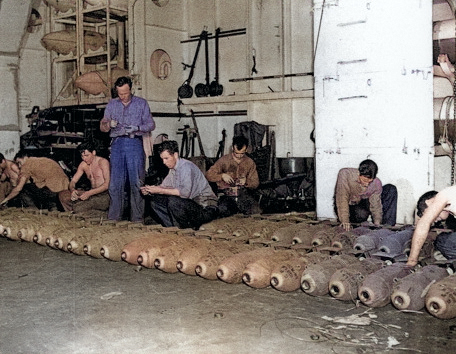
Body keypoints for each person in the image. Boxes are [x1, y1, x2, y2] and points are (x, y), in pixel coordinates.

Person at [100, 76, 155, 222]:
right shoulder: (112, 104)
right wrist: (108, 124)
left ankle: (137, 219)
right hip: (117, 144)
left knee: (136, 182)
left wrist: (137, 128)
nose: (123, 97)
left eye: (125, 93)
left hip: (134, 144)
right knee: (115, 184)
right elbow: (102, 126)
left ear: (131, 89)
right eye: (120, 94)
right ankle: (114, 218)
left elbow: (151, 125)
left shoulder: (141, 103)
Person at [140, 140, 218, 230]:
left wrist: (159, 190)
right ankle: (174, 228)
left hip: (205, 207)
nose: (164, 162)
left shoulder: (186, 167)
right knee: (155, 201)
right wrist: (149, 189)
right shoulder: (173, 169)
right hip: (191, 205)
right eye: (162, 159)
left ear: (175, 155)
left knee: (173, 201)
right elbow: (164, 186)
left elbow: (185, 193)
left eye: (166, 158)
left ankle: (186, 228)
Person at [334, 159, 397, 231]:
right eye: (364, 181)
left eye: (370, 182)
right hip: (350, 204)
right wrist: (344, 221)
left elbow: (376, 204)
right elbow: (342, 198)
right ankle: (353, 225)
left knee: (391, 189)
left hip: (363, 201)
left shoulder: (376, 183)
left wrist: (377, 224)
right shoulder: (345, 174)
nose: (366, 184)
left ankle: (387, 229)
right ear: (359, 173)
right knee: (361, 214)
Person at [206, 135, 261, 216]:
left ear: (246, 149)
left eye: (242, 153)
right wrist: (222, 176)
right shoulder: (224, 160)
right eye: (236, 153)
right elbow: (208, 175)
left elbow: (255, 183)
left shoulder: (250, 162)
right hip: (226, 195)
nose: (239, 156)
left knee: (256, 212)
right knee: (223, 211)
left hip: (243, 195)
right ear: (232, 148)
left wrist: (246, 182)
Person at [0, 150, 69, 210]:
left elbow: (19, 188)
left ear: (24, 158)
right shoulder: (42, 160)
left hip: (52, 191)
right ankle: (51, 206)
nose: (20, 166)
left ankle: (33, 210)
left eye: (19, 163)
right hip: (63, 189)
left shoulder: (26, 165)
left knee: (24, 188)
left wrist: (5, 200)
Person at [407, 187, 456, 267]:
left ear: (430, 202)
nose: (434, 220)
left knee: (443, 241)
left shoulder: (445, 195)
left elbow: (423, 224)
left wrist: (412, 261)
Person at [58, 141, 110, 216]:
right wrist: (73, 191)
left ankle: (104, 215)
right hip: (91, 194)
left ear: (94, 153)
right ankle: (77, 213)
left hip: (104, 195)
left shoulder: (103, 162)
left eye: (87, 155)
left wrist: (89, 193)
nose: (84, 159)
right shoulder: (83, 165)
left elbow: (107, 185)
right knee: (63, 195)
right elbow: (73, 182)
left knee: (78, 208)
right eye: (82, 156)